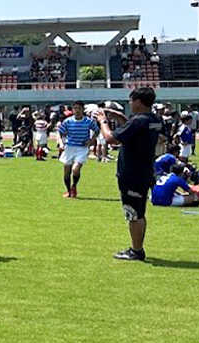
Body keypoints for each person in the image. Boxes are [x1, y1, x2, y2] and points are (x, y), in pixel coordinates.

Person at [95, 87, 163, 262]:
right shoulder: (153, 119)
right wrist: (118, 116)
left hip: (132, 173)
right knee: (139, 211)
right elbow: (132, 129)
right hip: (144, 170)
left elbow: (111, 139)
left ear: (138, 101)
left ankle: (136, 250)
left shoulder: (139, 121)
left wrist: (103, 121)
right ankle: (137, 248)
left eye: (131, 101)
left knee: (133, 213)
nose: (130, 104)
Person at [57, 102, 99, 198]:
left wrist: (90, 141)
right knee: (67, 173)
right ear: (72, 110)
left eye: (79, 108)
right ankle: (68, 191)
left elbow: (97, 130)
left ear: (82, 110)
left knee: (75, 169)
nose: (77, 110)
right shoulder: (68, 121)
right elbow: (60, 132)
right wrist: (61, 143)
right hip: (69, 148)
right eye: (75, 108)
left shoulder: (88, 121)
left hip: (82, 148)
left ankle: (74, 186)